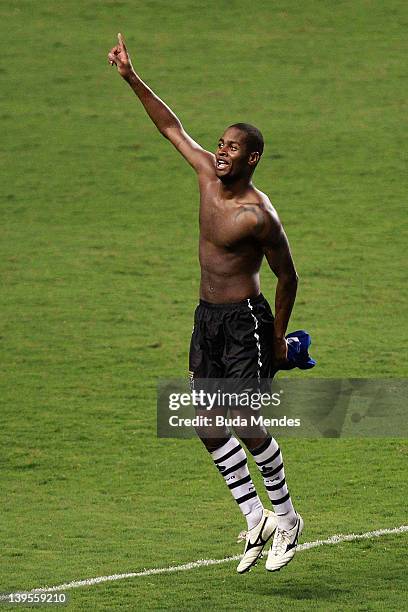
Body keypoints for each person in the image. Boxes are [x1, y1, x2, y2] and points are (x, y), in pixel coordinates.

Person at [108, 34, 303, 574]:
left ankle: (287, 518)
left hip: (245, 323)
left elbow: (288, 277)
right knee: (205, 418)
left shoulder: (258, 215)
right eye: (220, 143)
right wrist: (130, 76)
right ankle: (255, 516)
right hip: (208, 318)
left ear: (253, 158)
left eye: (232, 147)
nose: (220, 151)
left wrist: (277, 338)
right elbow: (170, 125)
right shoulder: (205, 175)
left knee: (244, 419)